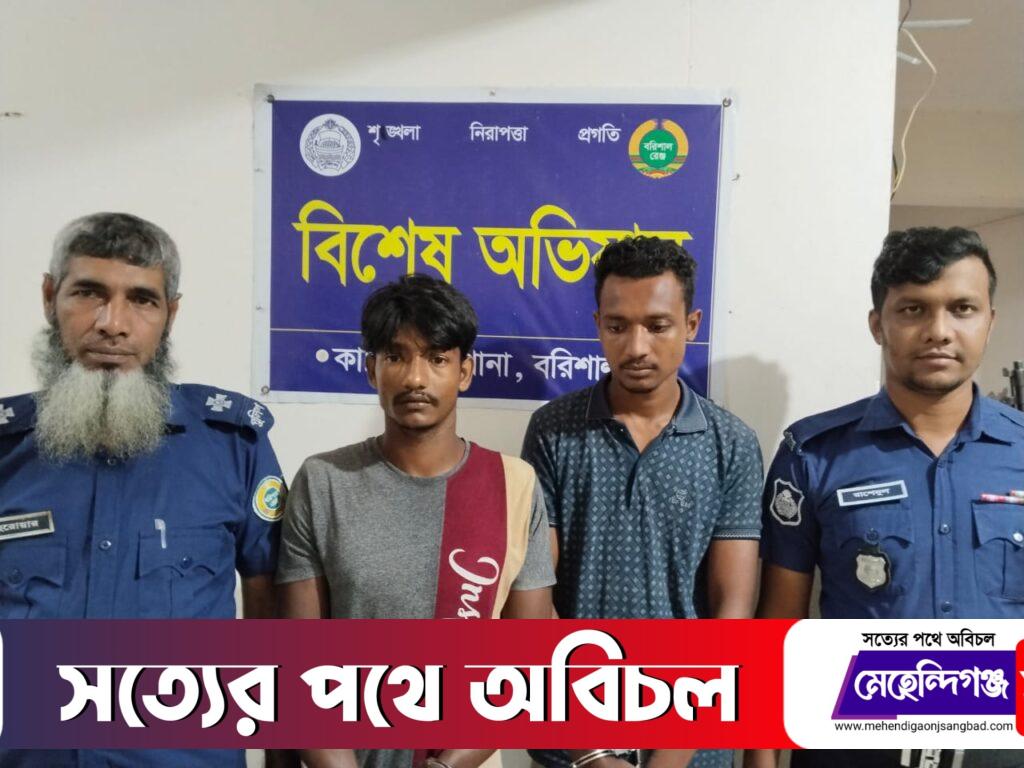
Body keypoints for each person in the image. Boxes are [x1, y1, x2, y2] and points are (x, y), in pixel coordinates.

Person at [0, 212, 284, 767]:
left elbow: (273, 623)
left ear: (170, 314)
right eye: (88, 293)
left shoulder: (233, 447)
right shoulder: (6, 452)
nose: (113, 323)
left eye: (142, 300)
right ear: (50, 297)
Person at [756, 227, 1024, 768]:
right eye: (913, 310)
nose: (939, 331)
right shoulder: (814, 454)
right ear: (878, 324)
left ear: (990, 321)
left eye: (962, 309)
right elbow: (779, 628)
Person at [277, 275, 556, 768]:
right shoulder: (323, 483)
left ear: (465, 371)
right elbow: (301, 668)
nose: (415, 378)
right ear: (371, 369)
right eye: (396, 356)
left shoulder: (514, 485)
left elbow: (525, 670)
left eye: (436, 358)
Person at [521, 236, 763, 768]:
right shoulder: (554, 431)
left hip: (694, 742)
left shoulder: (731, 444)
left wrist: (672, 756)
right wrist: (589, 749)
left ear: (691, 325)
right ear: (597, 325)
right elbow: (535, 597)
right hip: (574, 739)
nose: (636, 347)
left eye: (657, 326)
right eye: (617, 326)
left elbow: (733, 610)